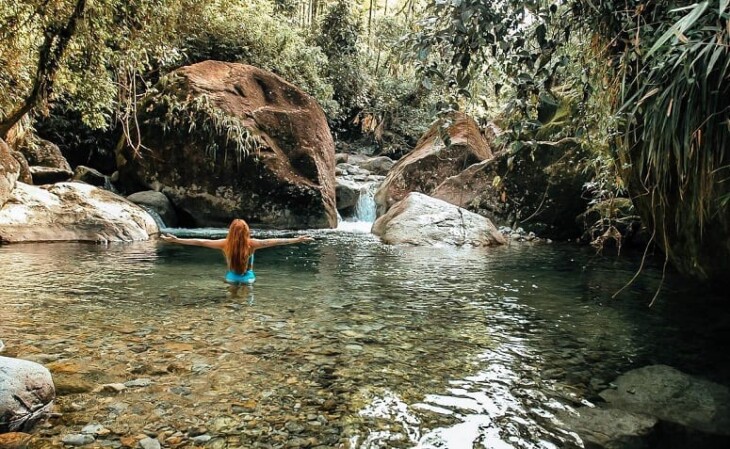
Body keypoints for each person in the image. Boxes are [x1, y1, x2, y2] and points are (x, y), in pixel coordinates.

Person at [160, 218, 313, 286]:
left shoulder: (224, 244)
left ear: (231, 232)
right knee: (246, 303)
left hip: (231, 278)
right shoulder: (252, 244)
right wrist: (298, 239)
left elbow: (200, 242)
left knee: (231, 301)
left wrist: (176, 240)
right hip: (249, 279)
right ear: (247, 231)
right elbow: (276, 242)